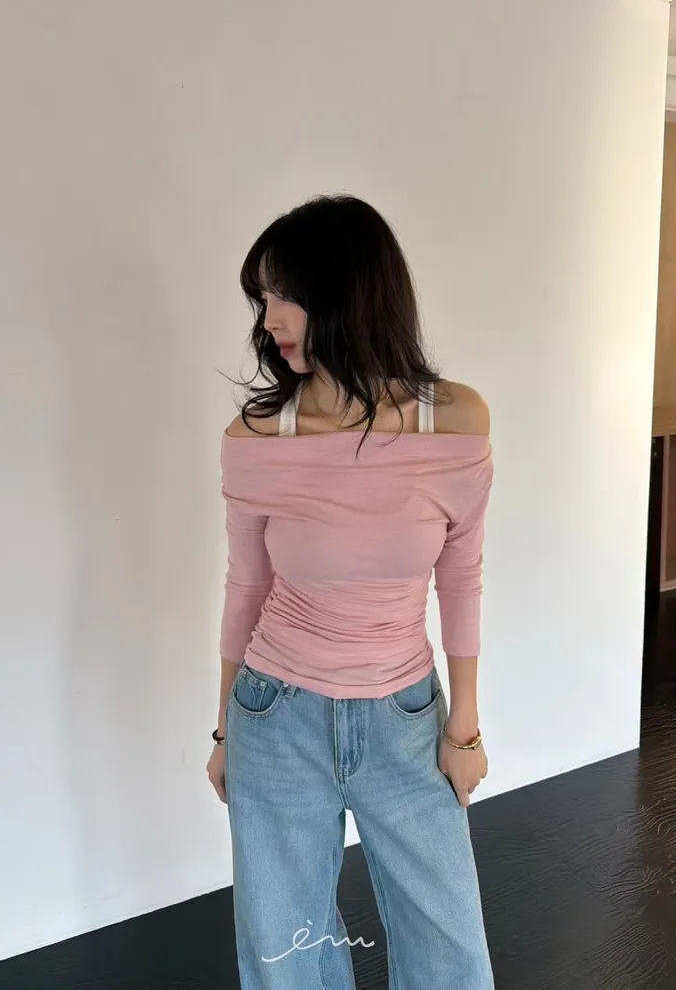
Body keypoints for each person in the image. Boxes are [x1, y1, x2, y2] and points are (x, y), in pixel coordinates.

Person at [206, 195, 494, 990]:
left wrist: (464, 729)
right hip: (276, 717)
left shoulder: (456, 423)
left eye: (281, 295)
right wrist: (226, 727)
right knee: (287, 962)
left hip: (404, 718)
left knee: (451, 959)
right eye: (262, 298)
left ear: (343, 290)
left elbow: (460, 577)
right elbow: (245, 588)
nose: (267, 318)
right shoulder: (255, 439)